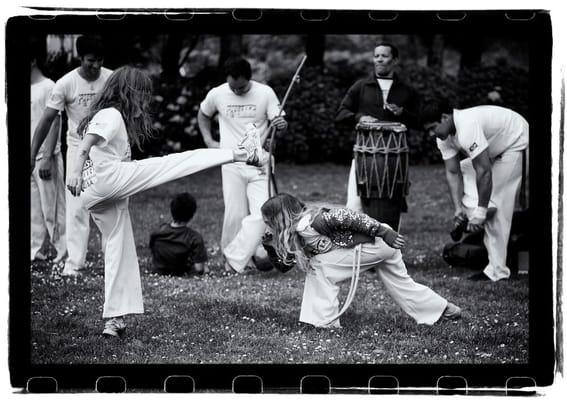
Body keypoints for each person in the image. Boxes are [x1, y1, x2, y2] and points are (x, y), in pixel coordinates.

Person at [65, 66, 267, 337]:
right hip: (106, 179)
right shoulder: (111, 114)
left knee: (118, 249)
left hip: (97, 194)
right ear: (130, 92)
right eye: (143, 94)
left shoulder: (111, 115)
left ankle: (114, 319)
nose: (145, 101)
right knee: (172, 163)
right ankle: (241, 153)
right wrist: (75, 170)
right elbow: (86, 143)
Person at [260, 193, 461, 328]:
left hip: (376, 241)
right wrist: (270, 247)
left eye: (269, 220)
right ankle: (445, 310)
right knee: (401, 284)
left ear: (281, 217)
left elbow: (350, 217)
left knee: (319, 268)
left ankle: (323, 322)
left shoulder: (311, 222)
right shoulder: (298, 232)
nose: (267, 225)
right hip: (378, 245)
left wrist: (384, 232)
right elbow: (285, 267)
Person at [31, 35, 113, 277]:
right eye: (90, 61)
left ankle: (113, 259)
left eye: (99, 60)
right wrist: (34, 154)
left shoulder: (111, 79)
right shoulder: (66, 83)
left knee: (109, 203)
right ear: (80, 58)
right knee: (77, 207)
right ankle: (75, 263)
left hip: (106, 147)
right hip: (78, 149)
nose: (96, 66)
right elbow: (46, 120)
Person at [421, 99, 529, 282]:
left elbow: (484, 171)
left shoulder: (467, 126)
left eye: (433, 127)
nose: (432, 134)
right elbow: (453, 171)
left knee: (498, 205)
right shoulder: (444, 136)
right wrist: (458, 208)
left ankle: (497, 271)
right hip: (495, 151)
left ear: (445, 117)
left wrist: (481, 211)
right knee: (465, 168)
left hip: (516, 142)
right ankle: (479, 209)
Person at [198, 57, 288, 273]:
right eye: (233, 87)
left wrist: (281, 125)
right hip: (231, 162)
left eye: (241, 87)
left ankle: (234, 255)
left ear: (249, 79)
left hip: (259, 163)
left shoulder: (265, 93)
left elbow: (280, 126)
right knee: (234, 213)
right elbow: (203, 114)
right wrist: (209, 141)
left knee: (264, 212)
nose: (236, 91)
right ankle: (235, 264)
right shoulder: (217, 93)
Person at [336, 42, 420, 230]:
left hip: (394, 160)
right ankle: (357, 254)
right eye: (376, 56)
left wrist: (402, 114)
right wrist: (359, 117)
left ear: (395, 60)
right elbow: (341, 114)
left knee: (391, 210)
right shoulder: (361, 86)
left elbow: (420, 120)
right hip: (363, 158)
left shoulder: (406, 90)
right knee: (354, 207)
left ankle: (390, 254)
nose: (379, 59)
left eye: (384, 56)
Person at [30, 39, 67, 263]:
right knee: (33, 207)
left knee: (53, 206)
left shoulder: (49, 86)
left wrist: (46, 156)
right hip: (30, 156)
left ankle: (63, 251)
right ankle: (35, 250)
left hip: (47, 156)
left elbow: (54, 122)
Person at [149, 192, 209, 276]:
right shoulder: (194, 238)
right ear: (192, 214)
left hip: (159, 271)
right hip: (182, 272)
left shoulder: (157, 233)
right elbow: (199, 268)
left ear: (172, 210)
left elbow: (153, 252)